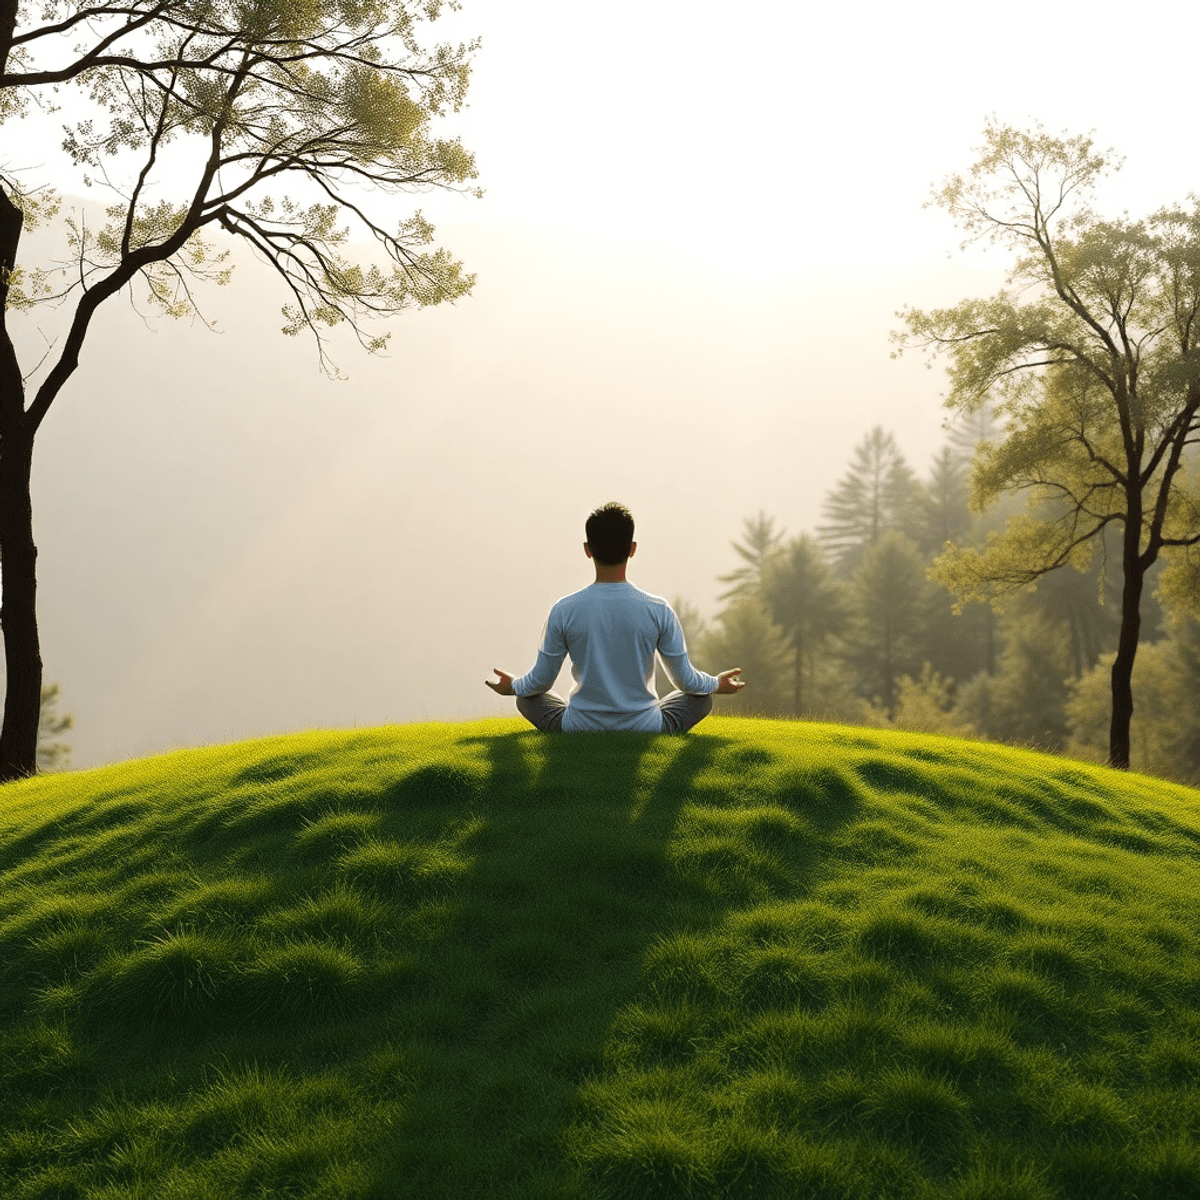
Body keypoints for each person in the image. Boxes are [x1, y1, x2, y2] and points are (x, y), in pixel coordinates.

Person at [486, 502, 746, 732]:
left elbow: (540, 681)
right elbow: (685, 681)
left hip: (579, 726)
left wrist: (514, 686)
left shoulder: (564, 609)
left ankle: (573, 721)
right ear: (632, 549)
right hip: (645, 725)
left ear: (588, 550)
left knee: (526, 697)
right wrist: (714, 683)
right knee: (701, 698)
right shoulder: (658, 609)